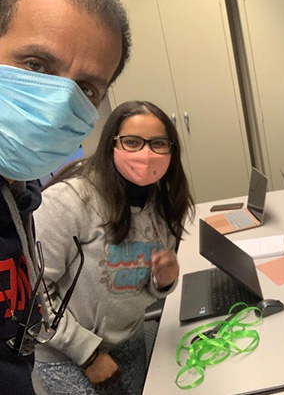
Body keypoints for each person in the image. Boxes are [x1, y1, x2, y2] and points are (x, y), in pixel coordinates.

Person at [0, 0, 130, 393]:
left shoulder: (20, 197)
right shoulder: (64, 201)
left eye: (87, 89)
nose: (56, 108)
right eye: (36, 65)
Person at [32, 101, 195, 394]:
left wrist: (164, 280)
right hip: (67, 354)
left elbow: (143, 286)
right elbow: (34, 292)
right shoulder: (68, 201)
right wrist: (88, 355)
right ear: (111, 144)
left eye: (157, 144)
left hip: (130, 338)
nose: (145, 154)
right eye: (132, 142)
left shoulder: (163, 203)